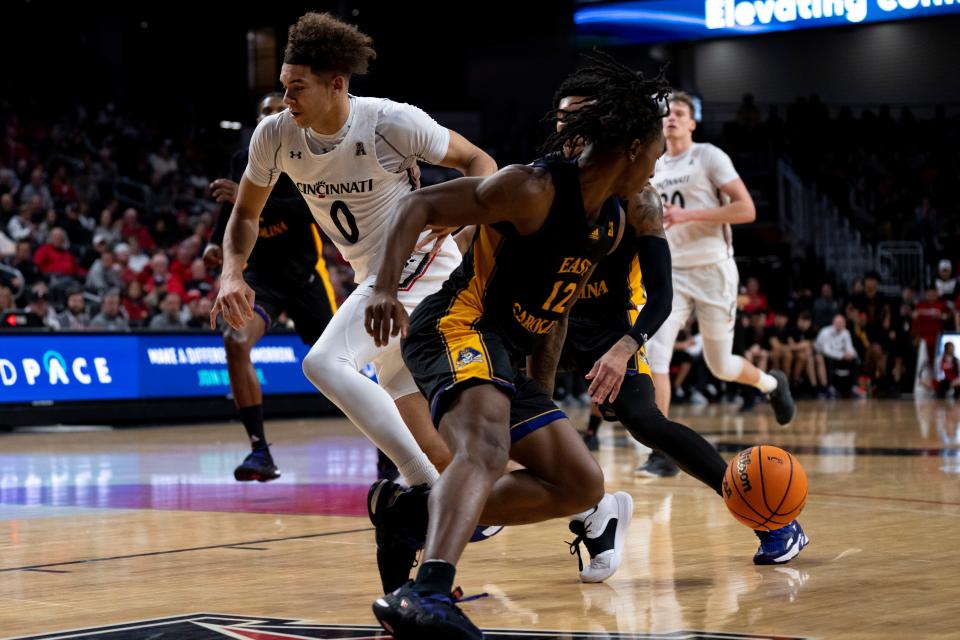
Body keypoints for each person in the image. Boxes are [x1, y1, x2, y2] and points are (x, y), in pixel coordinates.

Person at [364, 51, 668, 639]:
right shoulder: (532, 189)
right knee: (483, 447)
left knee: (581, 484)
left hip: (505, 352)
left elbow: (553, 315)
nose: (656, 168)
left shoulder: (610, 223)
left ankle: (410, 513)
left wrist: (541, 397)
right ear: (632, 146)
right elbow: (418, 203)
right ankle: (427, 593)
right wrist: (382, 288)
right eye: (655, 153)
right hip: (456, 324)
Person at [210, 12, 496, 493]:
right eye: (283, 86)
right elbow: (244, 215)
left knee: (324, 364)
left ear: (336, 84)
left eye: (297, 88)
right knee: (427, 436)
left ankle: (420, 490)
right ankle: (576, 507)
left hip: (418, 268)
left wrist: (463, 217)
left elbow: (479, 161)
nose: (287, 99)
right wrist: (232, 274)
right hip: (374, 278)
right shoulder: (276, 135)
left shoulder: (390, 122)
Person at [552, 77, 808, 571]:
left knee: (662, 406)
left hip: (664, 296)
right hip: (552, 325)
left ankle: (770, 519)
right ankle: (588, 514)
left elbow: (661, 294)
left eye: (580, 118)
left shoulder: (644, 189)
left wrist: (625, 345)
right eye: (563, 118)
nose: (570, 128)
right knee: (493, 401)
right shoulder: (543, 181)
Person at [643, 91, 795, 478]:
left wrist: (688, 214)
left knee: (721, 365)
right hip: (672, 272)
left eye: (680, 113)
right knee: (656, 354)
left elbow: (747, 209)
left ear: (692, 123)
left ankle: (770, 384)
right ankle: (662, 451)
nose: (672, 119)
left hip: (713, 270)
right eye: (667, 114)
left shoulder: (708, 156)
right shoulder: (652, 164)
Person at [203, 92, 339, 482]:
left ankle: (386, 451)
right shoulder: (243, 159)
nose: (274, 114)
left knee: (337, 367)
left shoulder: (308, 155)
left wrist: (251, 201)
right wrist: (216, 241)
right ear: (257, 120)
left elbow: (310, 211)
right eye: (266, 111)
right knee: (235, 340)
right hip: (261, 277)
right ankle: (260, 452)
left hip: (306, 277)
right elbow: (230, 209)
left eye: (280, 109)